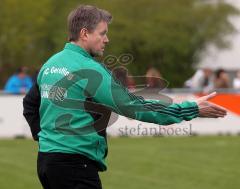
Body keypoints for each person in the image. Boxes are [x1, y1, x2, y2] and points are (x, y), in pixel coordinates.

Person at [23, 5, 227, 189]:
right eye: (102, 33)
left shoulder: (50, 65)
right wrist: (190, 109)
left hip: (47, 163)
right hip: (75, 167)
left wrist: (46, 139)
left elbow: (30, 103)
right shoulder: (89, 69)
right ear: (85, 33)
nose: (107, 39)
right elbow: (133, 106)